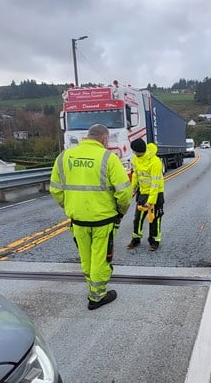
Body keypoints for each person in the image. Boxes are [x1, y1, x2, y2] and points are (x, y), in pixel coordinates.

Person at [49, 124, 132, 310]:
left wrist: (69, 206)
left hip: (78, 220)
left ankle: (91, 288)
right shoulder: (108, 158)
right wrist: (121, 211)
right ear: (104, 140)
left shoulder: (64, 157)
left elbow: (55, 189)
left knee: (85, 258)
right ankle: (97, 296)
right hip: (104, 220)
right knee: (100, 258)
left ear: (87, 137)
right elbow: (124, 193)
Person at [126, 138, 165, 251]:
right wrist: (132, 190)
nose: (133, 153)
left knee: (154, 218)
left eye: (134, 151)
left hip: (156, 194)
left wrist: (151, 201)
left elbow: (155, 183)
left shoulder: (155, 162)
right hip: (142, 193)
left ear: (139, 150)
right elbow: (135, 175)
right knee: (138, 218)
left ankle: (154, 241)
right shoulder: (136, 159)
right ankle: (136, 239)